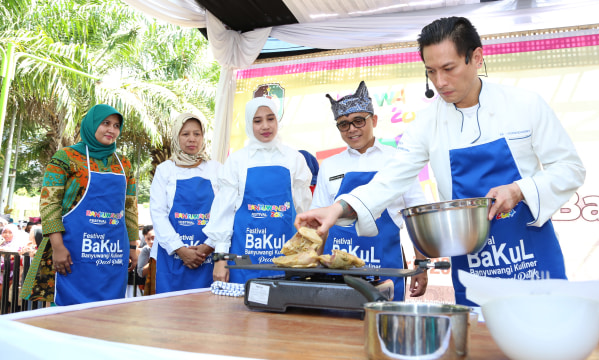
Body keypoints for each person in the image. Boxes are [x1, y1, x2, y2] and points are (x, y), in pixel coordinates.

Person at [295, 16, 586, 306]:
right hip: (475, 267)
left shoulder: (524, 105)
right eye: (431, 72)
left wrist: (518, 190)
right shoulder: (427, 123)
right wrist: (338, 208)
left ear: (476, 58)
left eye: (449, 69)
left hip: (532, 258)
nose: (440, 82)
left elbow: (570, 169)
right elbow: (390, 178)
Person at [312, 81, 428, 301]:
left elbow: (417, 214)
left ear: (373, 120)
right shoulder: (329, 165)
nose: (352, 129)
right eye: (343, 124)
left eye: (358, 120)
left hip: (384, 271)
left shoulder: (397, 160)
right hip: (338, 273)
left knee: (383, 327)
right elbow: (318, 224)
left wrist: (421, 264)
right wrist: (311, 268)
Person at [20, 104, 139, 306]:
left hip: (112, 252)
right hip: (71, 250)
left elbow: (130, 207)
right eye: (105, 123)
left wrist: (133, 247)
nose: (112, 130)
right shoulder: (65, 157)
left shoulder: (124, 163)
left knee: (110, 311)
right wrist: (57, 247)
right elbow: (50, 204)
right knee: (67, 312)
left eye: (117, 125)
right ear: (91, 125)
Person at [203, 97, 312, 284]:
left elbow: (305, 212)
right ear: (248, 124)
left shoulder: (294, 159)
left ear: (278, 121)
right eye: (257, 121)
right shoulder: (237, 161)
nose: (265, 126)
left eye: (270, 119)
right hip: (244, 258)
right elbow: (224, 214)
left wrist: (308, 252)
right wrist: (220, 260)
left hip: (287, 257)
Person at [149, 113, 221, 293]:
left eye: (197, 134)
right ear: (176, 136)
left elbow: (226, 212)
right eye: (185, 134)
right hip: (171, 257)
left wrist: (208, 246)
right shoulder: (165, 170)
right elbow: (158, 214)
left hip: (208, 256)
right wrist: (180, 250)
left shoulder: (216, 169)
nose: (192, 139)